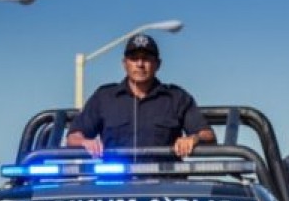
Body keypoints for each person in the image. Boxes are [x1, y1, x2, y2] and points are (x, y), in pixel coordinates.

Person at [67, 33, 215, 158]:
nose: (140, 64)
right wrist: (84, 142)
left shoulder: (176, 98)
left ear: (158, 64)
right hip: (115, 187)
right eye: (134, 58)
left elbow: (207, 134)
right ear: (124, 64)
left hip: (165, 185)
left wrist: (193, 139)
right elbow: (74, 136)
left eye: (146, 58)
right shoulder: (104, 97)